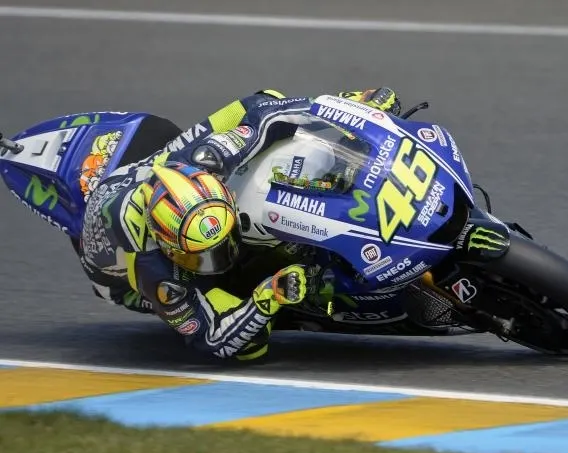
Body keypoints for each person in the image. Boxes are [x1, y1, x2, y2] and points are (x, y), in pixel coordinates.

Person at [78, 87, 401, 361]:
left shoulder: (206, 160)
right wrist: (268, 298)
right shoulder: (156, 273)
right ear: (168, 246)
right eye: (203, 256)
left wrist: (351, 107)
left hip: (153, 170)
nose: (223, 256)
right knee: (250, 349)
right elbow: (213, 340)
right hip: (121, 280)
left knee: (267, 100)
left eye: (225, 242)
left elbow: (266, 112)